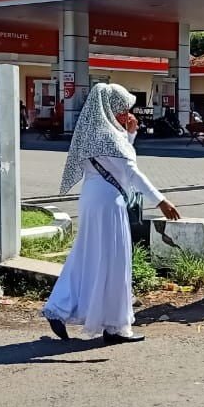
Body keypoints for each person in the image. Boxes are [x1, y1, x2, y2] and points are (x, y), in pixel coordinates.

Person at [42, 84, 180, 344]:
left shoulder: (93, 132)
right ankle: (115, 327)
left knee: (86, 256)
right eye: (123, 109)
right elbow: (131, 172)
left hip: (92, 197)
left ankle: (59, 308)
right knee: (114, 262)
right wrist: (161, 201)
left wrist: (130, 134)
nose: (127, 114)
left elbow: (117, 164)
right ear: (110, 108)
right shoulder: (110, 137)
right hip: (108, 202)